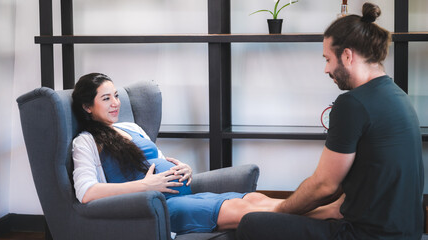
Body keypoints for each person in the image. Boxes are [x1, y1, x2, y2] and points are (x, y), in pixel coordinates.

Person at [236, 3, 424, 240]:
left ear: (347, 55)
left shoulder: (353, 104)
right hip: (406, 234)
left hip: (366, 235)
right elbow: (342, 203)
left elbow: (324, 186)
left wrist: (279, 211)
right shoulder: (398, 96)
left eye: (327, 59)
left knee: (250, 224)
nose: (326, 69)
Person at [71, 72, 283, 235]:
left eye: (116, 96)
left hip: (186, 197)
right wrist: (144, 186)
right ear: (87, 106)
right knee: (247, 210)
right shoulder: (86, 141)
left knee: (256, 199)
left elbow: (159, 162)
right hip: (164, 208)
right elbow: (86, 192)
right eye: (106, 98)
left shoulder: (131, 128)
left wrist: (183, 168)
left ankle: (316, 215)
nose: (116, 103)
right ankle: (315, 221)